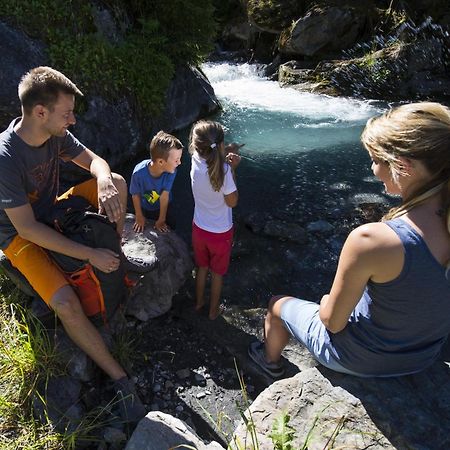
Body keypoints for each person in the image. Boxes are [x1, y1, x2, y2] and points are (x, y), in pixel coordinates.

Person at [248, 102, 450, 378]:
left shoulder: (372, 239)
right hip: (423, 356)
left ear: (403, 166)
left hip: (362, 358)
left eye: (378, 160)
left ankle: (268, 362)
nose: (373, 169)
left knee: (277, 305)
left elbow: (331, 322)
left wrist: (328, 301)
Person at [0, 66, 145, 422]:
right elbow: (29, 229)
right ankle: (119, 378)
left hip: (54, 210)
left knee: (121, 182)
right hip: (20, 236)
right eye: (67, 113)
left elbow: (96, 162)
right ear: (40, 113)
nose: (73, 120)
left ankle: (118, 260)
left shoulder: (55, 134)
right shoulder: (6, 158)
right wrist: (90, 254)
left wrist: (105, 180)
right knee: (65, 302)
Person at [189, 120, 242, 320]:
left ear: (195, 145)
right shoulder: (225, 171)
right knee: (217, 273)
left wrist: (222, 151)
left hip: (199, 228)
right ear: (220, 146)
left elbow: (208, 151)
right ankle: (212, 312)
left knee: (202, 267)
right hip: (220, 233)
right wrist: (233, 168)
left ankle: (198, 302)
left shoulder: (195, 159)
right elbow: (232, 202)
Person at [130, 131, 183, 233]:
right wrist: (139, 216)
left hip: (166, 204)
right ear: (160, 162)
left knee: (171, 224)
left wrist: (161, 220)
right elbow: (135, 194)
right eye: (176, 160)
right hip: (146, 206)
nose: (179, 163)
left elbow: (164, 196)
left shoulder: (171, 172)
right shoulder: (138, 173)